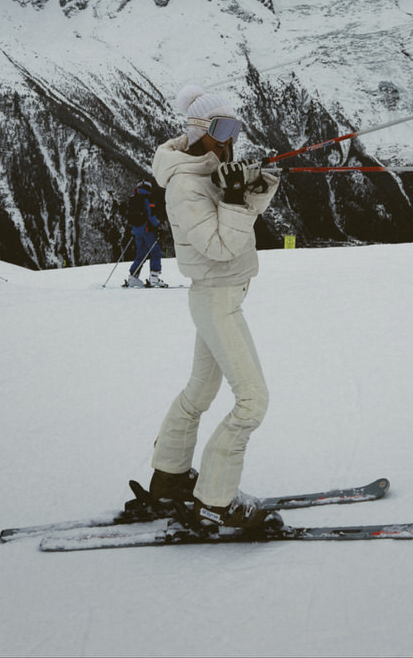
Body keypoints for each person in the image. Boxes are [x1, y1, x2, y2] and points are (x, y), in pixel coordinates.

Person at [146, 83, 280, 532]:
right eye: (222, 127)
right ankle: (215, 501)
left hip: (222, 294)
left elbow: (237, 226)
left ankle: (170, 478)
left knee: (199, 394)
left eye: (235, 127)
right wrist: (238, 198)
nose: (230, 137)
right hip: (216, 297)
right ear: (199, 130)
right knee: (253, 401)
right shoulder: (185, 183)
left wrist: (255, 188)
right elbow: (222, 246)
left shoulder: (210, 170)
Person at [124, 184, 167, 287]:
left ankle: (133, 276)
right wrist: (158, 225)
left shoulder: (133, 199)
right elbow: (150, 214)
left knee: (141, 253)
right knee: (155, 251)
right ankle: (154, 277)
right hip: (147, 229)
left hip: (136, 230)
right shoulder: (147, 198)